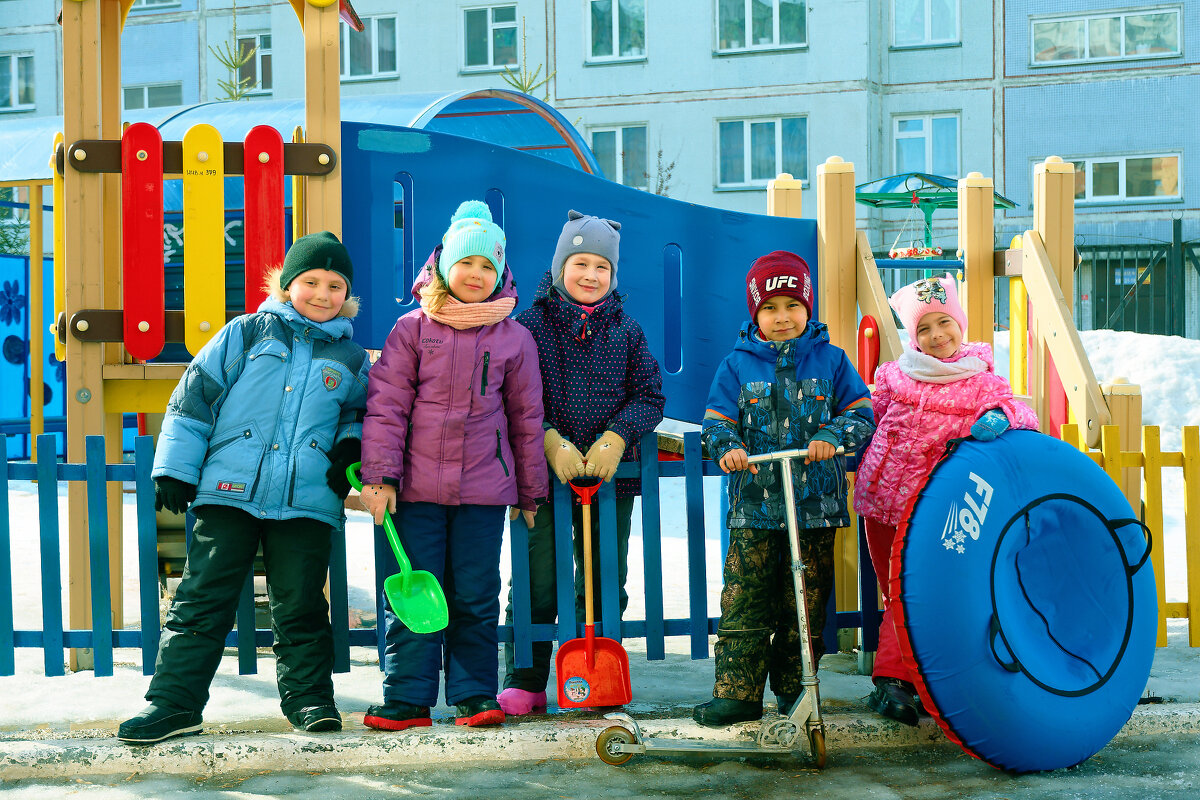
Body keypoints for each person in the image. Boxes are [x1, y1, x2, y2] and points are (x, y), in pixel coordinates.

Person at [117, 231, 371, 744]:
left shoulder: (350, 358)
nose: (322, 294)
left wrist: (350, 445)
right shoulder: (249, 333)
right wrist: (175, 468)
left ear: (348, 295)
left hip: (307, 500)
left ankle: (310, 701)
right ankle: (174, 704)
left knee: (300, 603)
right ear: (285, 284)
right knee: (202, 598)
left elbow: (359, 414)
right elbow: (194, 398)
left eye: (335, 285)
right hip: (229, 491)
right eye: (310, 282)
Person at [358, 200, 546, 731]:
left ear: (502, 274)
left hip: (483, 493)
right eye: (467, 263)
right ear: (442, 265)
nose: (476, 275)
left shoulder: (514, 338)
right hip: (413, 491)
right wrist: (379, 477)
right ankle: (408, 698)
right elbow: (387, 406)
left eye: (488, 266)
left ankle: (473, 693)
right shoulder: (413, 330)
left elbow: (526, 418)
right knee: (413, 589)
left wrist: (529, 492)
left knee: (475, 594)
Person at [693, 251, 876, 727]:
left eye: (792, 306)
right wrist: (728, 446)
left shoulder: (832, 361)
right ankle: (738, 692)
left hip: (814, 506)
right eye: (770, 308)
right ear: (755, 312)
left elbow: (861, 413)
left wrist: (831, 436)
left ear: (807, 307)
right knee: (745, 597)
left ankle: (798, 690)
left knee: (805, 599)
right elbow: (715, 422)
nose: (782, 317)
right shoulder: (736, 366)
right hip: (755, 506)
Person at [497, 210, 665, 716]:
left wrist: (618, 436)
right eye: (580, 263)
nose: (591, 275)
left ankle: (593, 676)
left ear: (614, 276)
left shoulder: (627, 332)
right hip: (543, 479)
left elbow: (649, 395)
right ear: (559, 266)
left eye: (602, 268)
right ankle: (526, 678)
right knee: (537, 576)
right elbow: (512, 395)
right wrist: (548, 440)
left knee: (601, 576)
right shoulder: (529, 326)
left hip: (610, 482)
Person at [854, 275, 1039, 726]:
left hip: (934, 510)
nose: (936, 336)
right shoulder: (896, 375)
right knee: (894, 590)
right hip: (881, 505)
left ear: (960, 323)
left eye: (944, 323)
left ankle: (895, 680)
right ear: (912, 338)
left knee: (910, 590)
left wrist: (1002, 417)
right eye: (923, 329)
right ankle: (912, 679)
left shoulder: (979, 381)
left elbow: (1023, 412)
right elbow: (869, 419)